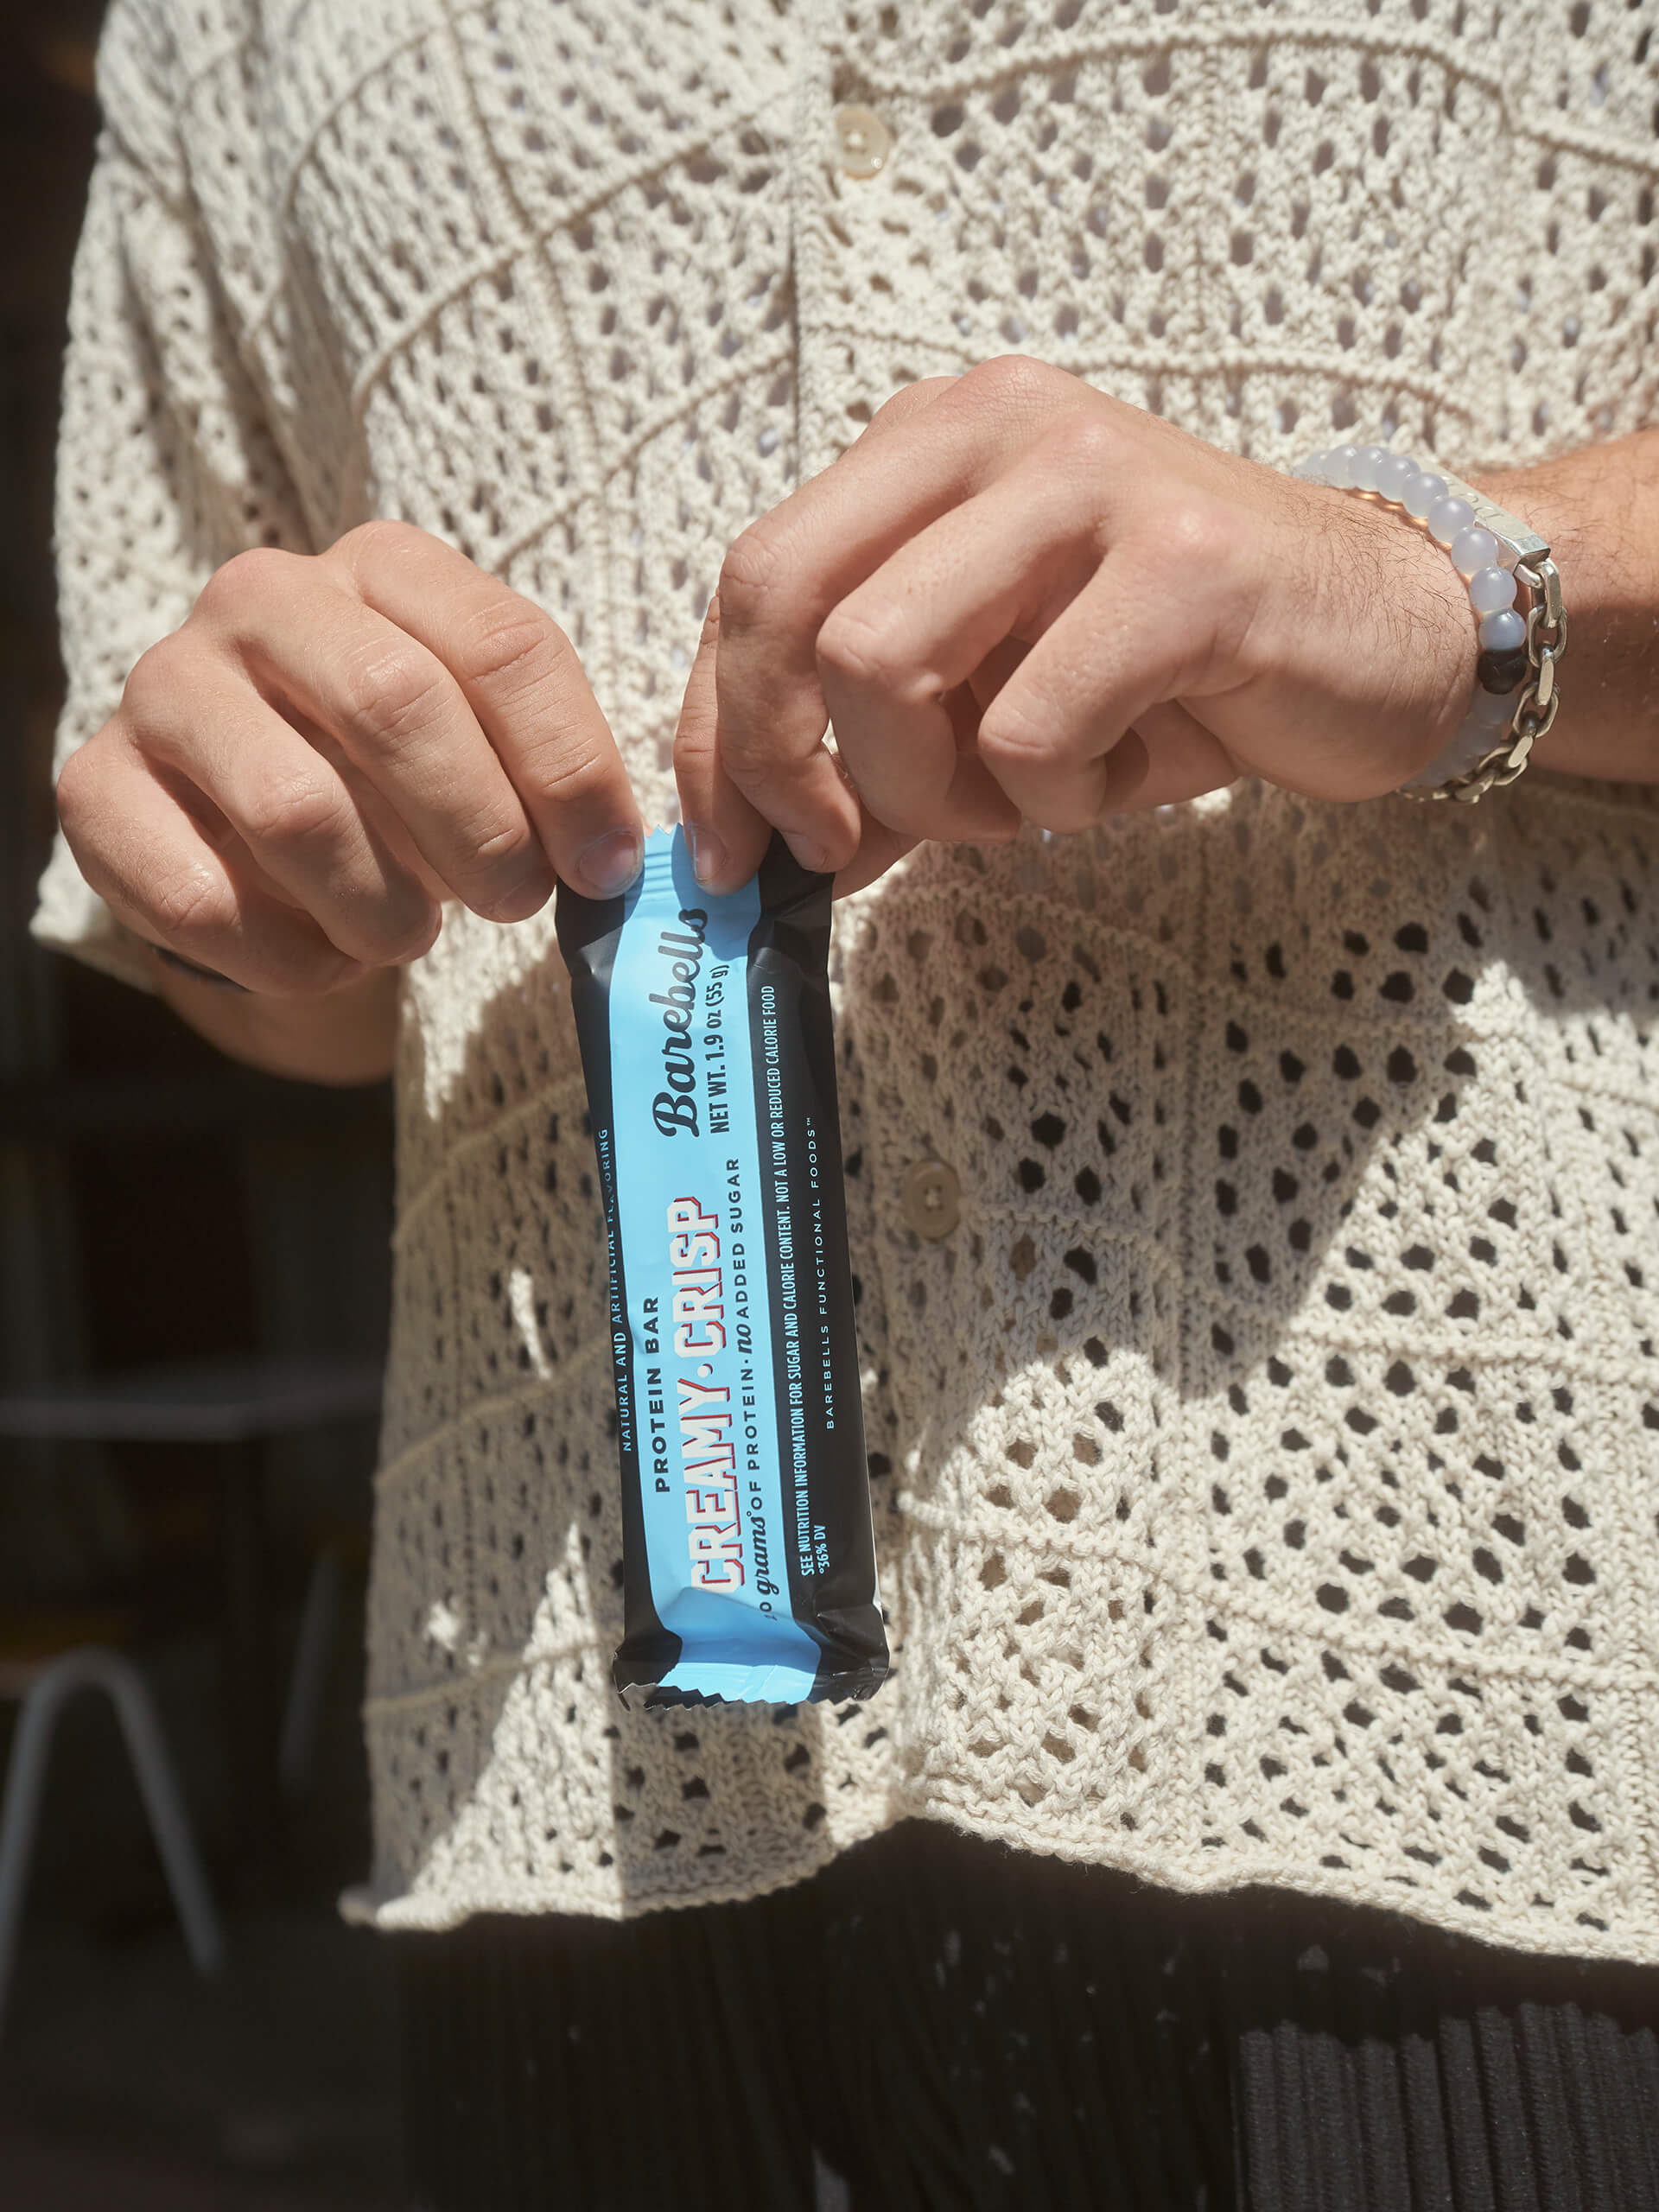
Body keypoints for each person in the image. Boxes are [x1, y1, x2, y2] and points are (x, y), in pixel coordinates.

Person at [34, 0, 1659, 2202]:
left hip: (1484, 1694)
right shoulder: (208, 36)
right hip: (582, 1794)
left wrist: (1457, 579)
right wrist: (249, 869)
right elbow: (294, 1004)